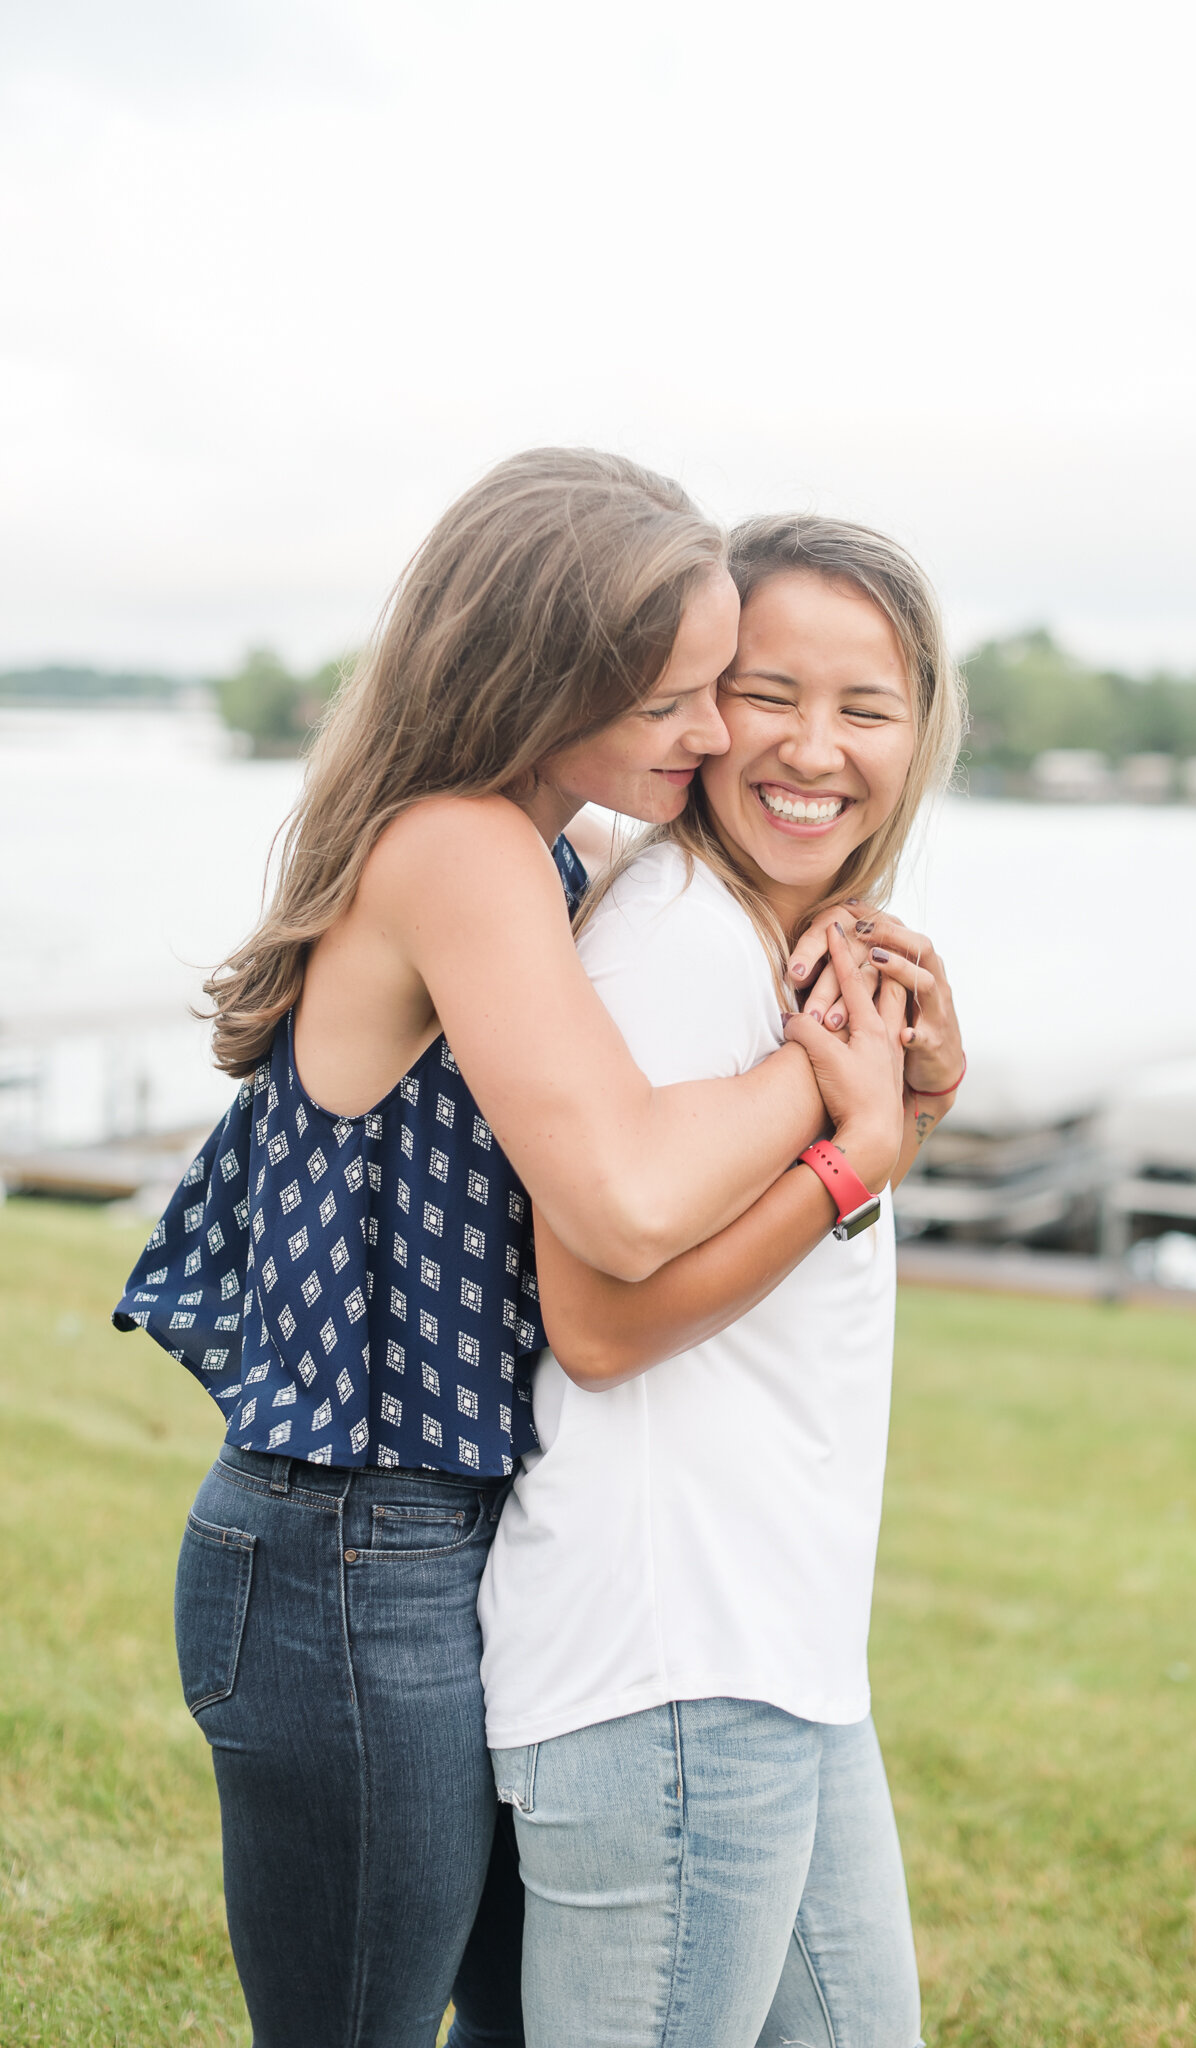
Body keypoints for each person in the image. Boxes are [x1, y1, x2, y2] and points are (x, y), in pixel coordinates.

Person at [111, 452, 902, 2048]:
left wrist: (870, 1064)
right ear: (548, 680)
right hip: (350, 1555)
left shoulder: (550, 862)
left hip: (440, 1545)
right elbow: (619, 1194)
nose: (709, 734)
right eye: (676, 695)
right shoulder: (458, 847)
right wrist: (839, 1109)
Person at [478, 512, 966, 2048]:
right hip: (673, 1660)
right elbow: (604, 1324)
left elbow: (760, 1275)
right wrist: (853, 1160)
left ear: (920, 733)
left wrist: (901, 1115)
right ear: (694, 703)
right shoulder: (678, 941)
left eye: (866, 707)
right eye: (768, 691)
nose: (814, 749)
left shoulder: (775, 945)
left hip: (781, 1651)